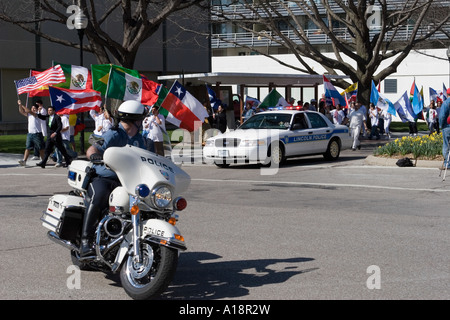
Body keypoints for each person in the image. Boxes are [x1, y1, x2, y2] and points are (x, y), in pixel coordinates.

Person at [80, 100, 147, 257]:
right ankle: (85, 241)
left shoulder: (139, 139)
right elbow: (93, 148)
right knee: (99, 196)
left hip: (128, 180)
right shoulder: (114, 134)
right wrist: (95, 155)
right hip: (105, 177)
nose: (141, 122)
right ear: (134, 120)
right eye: (140, 120)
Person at [17, 100, 45, 166]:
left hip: (37, 134)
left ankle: (43, 160)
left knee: (40, 148)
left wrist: (22, 105)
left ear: (37, 109)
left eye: (34, 108)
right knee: (28, 147)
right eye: (32, 108)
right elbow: (21, 111)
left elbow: (28, 111)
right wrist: (19, 105)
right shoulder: (29, 115)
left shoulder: (38, 114)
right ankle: (24, 160)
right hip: (30, 134)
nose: (33, 109)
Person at [438, 89, 450, 168]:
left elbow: (442, 116)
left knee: (446, 145)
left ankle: (447, 164)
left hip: (447, 126)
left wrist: (441, 125)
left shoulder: (446, 103)